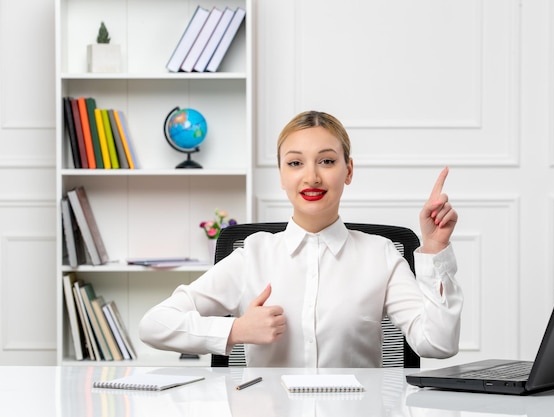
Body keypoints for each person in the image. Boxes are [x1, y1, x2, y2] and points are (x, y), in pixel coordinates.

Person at [139, 110, 463, 367]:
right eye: (295, 163)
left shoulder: (381, 255)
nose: (312, 176)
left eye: (327, 161)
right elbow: (154, 324)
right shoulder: (251, 256)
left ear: (348, 171)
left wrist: (435, 249)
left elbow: (437, 344)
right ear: (281, 174)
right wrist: (236, 330)